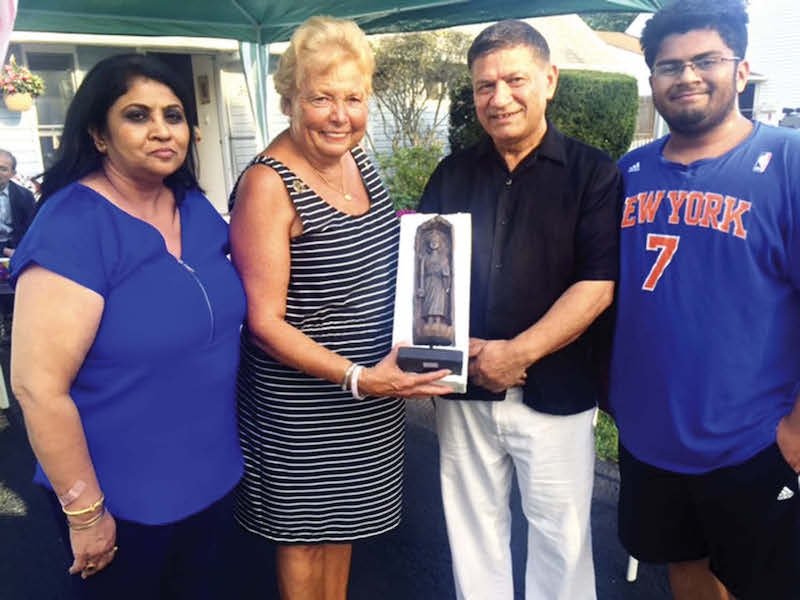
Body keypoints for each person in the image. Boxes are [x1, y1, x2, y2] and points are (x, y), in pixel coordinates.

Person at [229, 16, 451, 600]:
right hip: (303, 405)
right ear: (288, 101)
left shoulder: (361, 161)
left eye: (353, 98)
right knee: (304, 541)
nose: (339, 114)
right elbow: (263, 321)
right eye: (320, 97)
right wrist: (356, 377)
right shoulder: (267, 185)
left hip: (373, 392)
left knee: (341, 533)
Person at [9, 54, 246, 599]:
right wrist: (86, 513)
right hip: (120, 494)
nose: (162, 129)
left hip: (210, 476)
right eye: (137, 115)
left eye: (174, 114)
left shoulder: (194, 207)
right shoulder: (72, 225)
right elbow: (37, 388)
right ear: (98, 133)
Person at [419, 20, 620, 600]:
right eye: (485, 85)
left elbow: (597, 285)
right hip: (465, 387)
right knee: (473, 531)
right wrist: (442, 349)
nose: (499, 97)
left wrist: (515, 354)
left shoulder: (594, 174)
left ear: (549, 80)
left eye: (515, 79)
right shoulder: (451, 173)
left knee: (561, 539)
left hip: (555, 391)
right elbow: (426, 274)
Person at [609, 1, 800, 599]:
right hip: (650, 438)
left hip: (754, 440)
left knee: (764, 584)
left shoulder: (788, 162)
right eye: (669, 66)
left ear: (741, 71)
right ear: (653, 82)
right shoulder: (629, 171)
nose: (686, 76)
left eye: (706, 60)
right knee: (684, 569)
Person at [0, 149, 36, 257]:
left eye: (3, 169)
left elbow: (32, 230)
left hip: (19, 248)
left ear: (13, 173)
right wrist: (4, 250)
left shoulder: (25, 196)